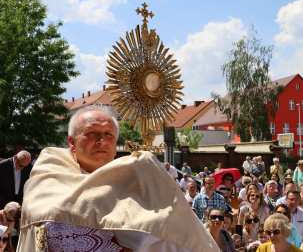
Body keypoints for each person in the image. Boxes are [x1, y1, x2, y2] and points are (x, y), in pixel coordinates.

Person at [17, 105, 219, 251]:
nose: (102, 141)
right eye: (92, 133)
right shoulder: (49, 176)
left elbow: (175, 233)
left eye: (108, 135)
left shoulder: (139, 177)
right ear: (71, 142)